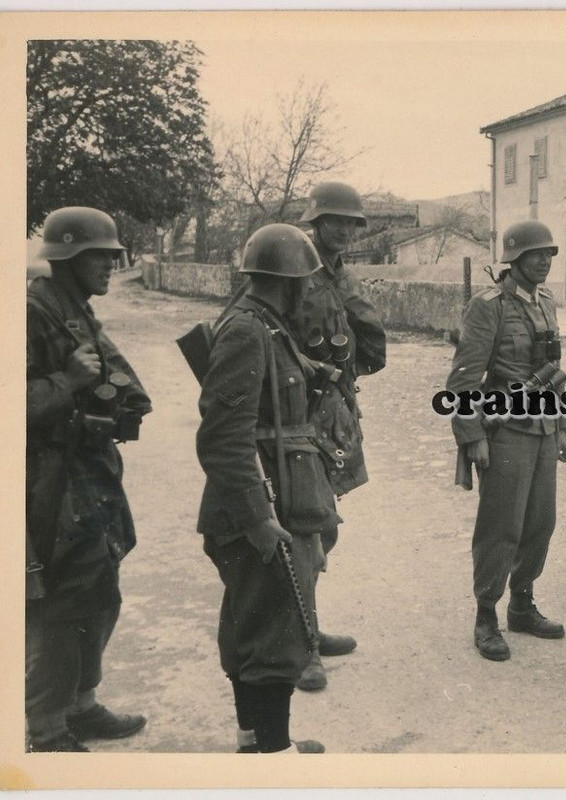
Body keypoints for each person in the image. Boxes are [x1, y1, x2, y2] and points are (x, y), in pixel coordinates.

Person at [195, 224, 334, 753]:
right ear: (291, 281)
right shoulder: (248, 330)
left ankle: (255, 740)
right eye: (307, 281)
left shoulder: (266, 325)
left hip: (273, 495)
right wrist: (257, 517)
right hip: (259, 503)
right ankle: (273, 757)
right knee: (275, 636)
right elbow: (223, 439)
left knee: (250, 626)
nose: (311, 291)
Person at [25, 206, 151, 752]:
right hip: (50, 474)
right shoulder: (29, 312)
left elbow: (118, 375)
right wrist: (65, 381)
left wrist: (127, 399)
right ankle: (48, 726)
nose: (112, 264)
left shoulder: (74, 308)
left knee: (101, 586)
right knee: (65, 599)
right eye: (101, 255)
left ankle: (82, 703)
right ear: (70, 256)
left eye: (113, 255)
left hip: (89, 467)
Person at [446, 220, 566, 662]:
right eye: (535, 254)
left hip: (542, 430)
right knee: (502, 526)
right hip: (506, 432)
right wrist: (472, 435)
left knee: (541, 522)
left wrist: (563, 428)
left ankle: (522, 604)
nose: (544, 261)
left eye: (549, 254)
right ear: (513, 259)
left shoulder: (546, 302)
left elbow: (553, 367)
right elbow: (463, 381)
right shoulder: (489, 307)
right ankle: (486, 615)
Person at [292, 181, 388, 691]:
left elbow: (371, 345)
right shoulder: (290, 265)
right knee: (306, 529)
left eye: (354, 223)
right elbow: (258, 332)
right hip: (294, 417)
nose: (347, 231)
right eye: (338, 221)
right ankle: (301, 645)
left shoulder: (340, 275)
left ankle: (305, 626)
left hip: (333, 415)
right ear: (316, 221)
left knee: (324, 526)